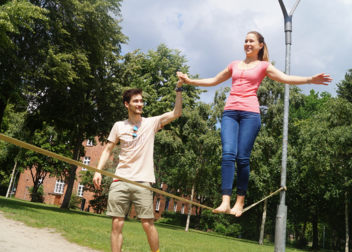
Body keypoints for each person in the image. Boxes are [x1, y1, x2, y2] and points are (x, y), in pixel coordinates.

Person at [177, 31, 332, 217]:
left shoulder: (264, 66)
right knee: (227, 154)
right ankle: (225, 201)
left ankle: (239, 203)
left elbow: (286, 78)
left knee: (242, 157)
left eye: (252, 41)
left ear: (260, 45)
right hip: (230, 113)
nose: (247, 44)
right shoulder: (234, 65)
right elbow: (213, 81)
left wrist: (309, 80)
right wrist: (189, 81)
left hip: (250, 114)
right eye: (245, 41)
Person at [93, 77, 184, 252]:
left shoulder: (151, 123)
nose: (140, 104)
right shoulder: (119, 126)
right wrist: (98, 171)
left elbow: (176, 112)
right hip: (120, 180)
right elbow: (107, 150)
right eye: (136, 101)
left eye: (141, 101)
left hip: (142, 181)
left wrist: (178, 89)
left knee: (147, 224)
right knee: (117, 224)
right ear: (127, 104)